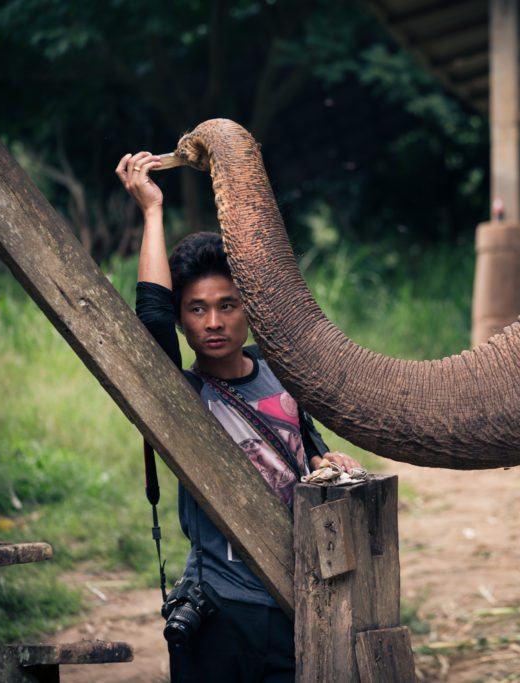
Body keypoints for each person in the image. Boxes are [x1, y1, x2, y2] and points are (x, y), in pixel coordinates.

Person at [117, 150, 361, 682]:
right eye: (196, 309)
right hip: (221, 610)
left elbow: (304, 442)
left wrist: (327, 459)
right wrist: (153, 213)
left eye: (228, 305)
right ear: (182, 320)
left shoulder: (284, 372)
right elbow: (151, 316)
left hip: (299, 600)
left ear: (248, 308)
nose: (213, 322)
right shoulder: (181, 395)